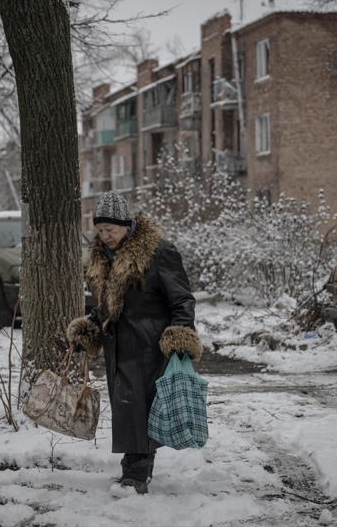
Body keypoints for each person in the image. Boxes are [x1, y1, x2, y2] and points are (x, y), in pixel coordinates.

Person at [67, 190, 203, 495]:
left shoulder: (159, 253)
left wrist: (179, 337)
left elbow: (182, 300)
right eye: (100, 230)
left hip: (150, 348)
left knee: (141, 411)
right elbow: (106, 305)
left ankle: (136, 475)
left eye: (110, 230)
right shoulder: (102, 256)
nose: (104, 236)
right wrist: (88, 329)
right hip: (119, 348)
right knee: (128, 411)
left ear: (126, 224)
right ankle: (135, 470)